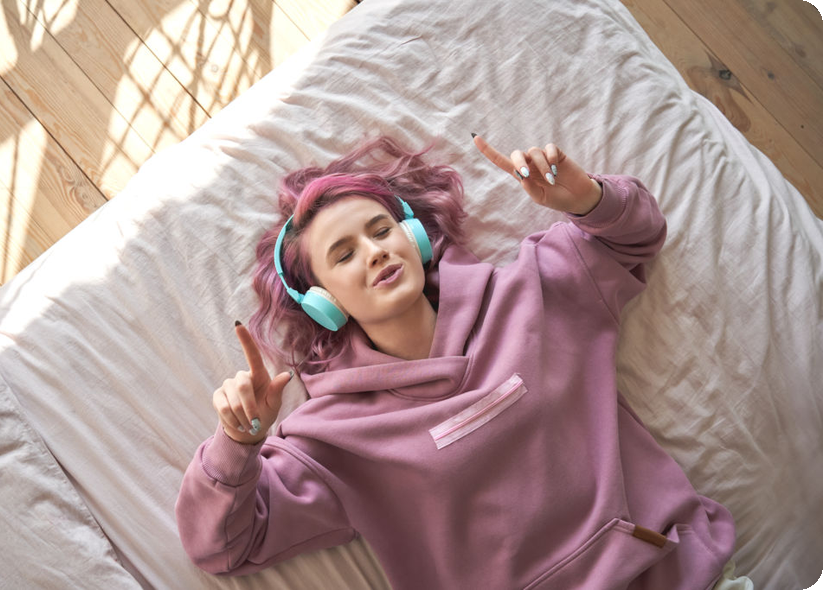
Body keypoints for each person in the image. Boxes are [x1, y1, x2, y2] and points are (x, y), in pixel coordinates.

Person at [176, 135, 741, 589]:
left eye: (381, 230)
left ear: (415, 238)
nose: (375, 251)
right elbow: (222, 547)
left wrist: (590, 200)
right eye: (344, 255)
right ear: (322, 302)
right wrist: (237, 444)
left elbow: (635, 237)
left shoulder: (535, 290)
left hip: (678, 573)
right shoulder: (331, 440)